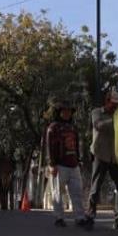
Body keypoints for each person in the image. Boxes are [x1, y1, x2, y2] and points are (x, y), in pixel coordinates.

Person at [87, 89, 118, 230]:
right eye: (113, 105)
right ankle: (90, 217)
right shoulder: (97, 113)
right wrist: (116, 119)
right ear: (106, 101)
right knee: (95, 187)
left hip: (115, 156)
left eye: (117, 105)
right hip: (100, 154)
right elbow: (98, 126)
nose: (115, 107)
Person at [45, 97, 88, 228]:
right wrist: (52, 164)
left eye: (69, 111)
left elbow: (76, 146)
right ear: (59, 112)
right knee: (57, 192)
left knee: (76, 192)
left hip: (74, 164)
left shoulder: (73, 128)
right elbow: (49, 147)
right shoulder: (53, 128)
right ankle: (59, 218)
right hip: (59, 165)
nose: (67, 113)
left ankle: (80, 217)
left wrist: (79, 160)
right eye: (64, 111)